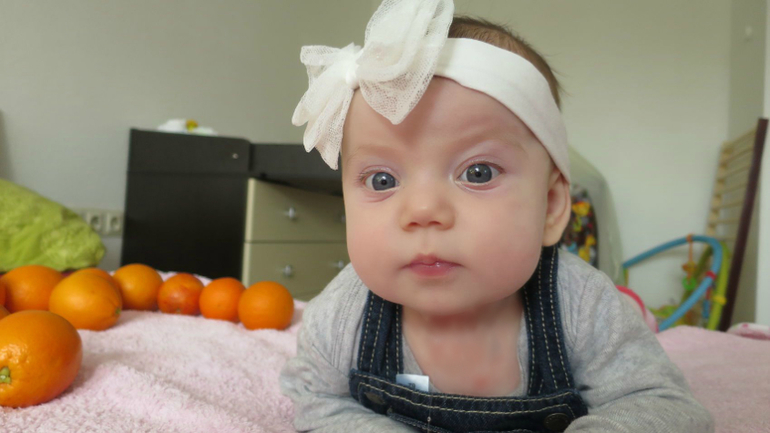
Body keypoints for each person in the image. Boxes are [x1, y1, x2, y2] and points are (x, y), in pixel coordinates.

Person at [280, 1, 713, 431]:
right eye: (382, 180)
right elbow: (319, 401)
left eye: (478, 173)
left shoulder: (581, 305)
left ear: (551, 206)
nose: (422, 210)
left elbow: (665, 407)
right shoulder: (343, 314)